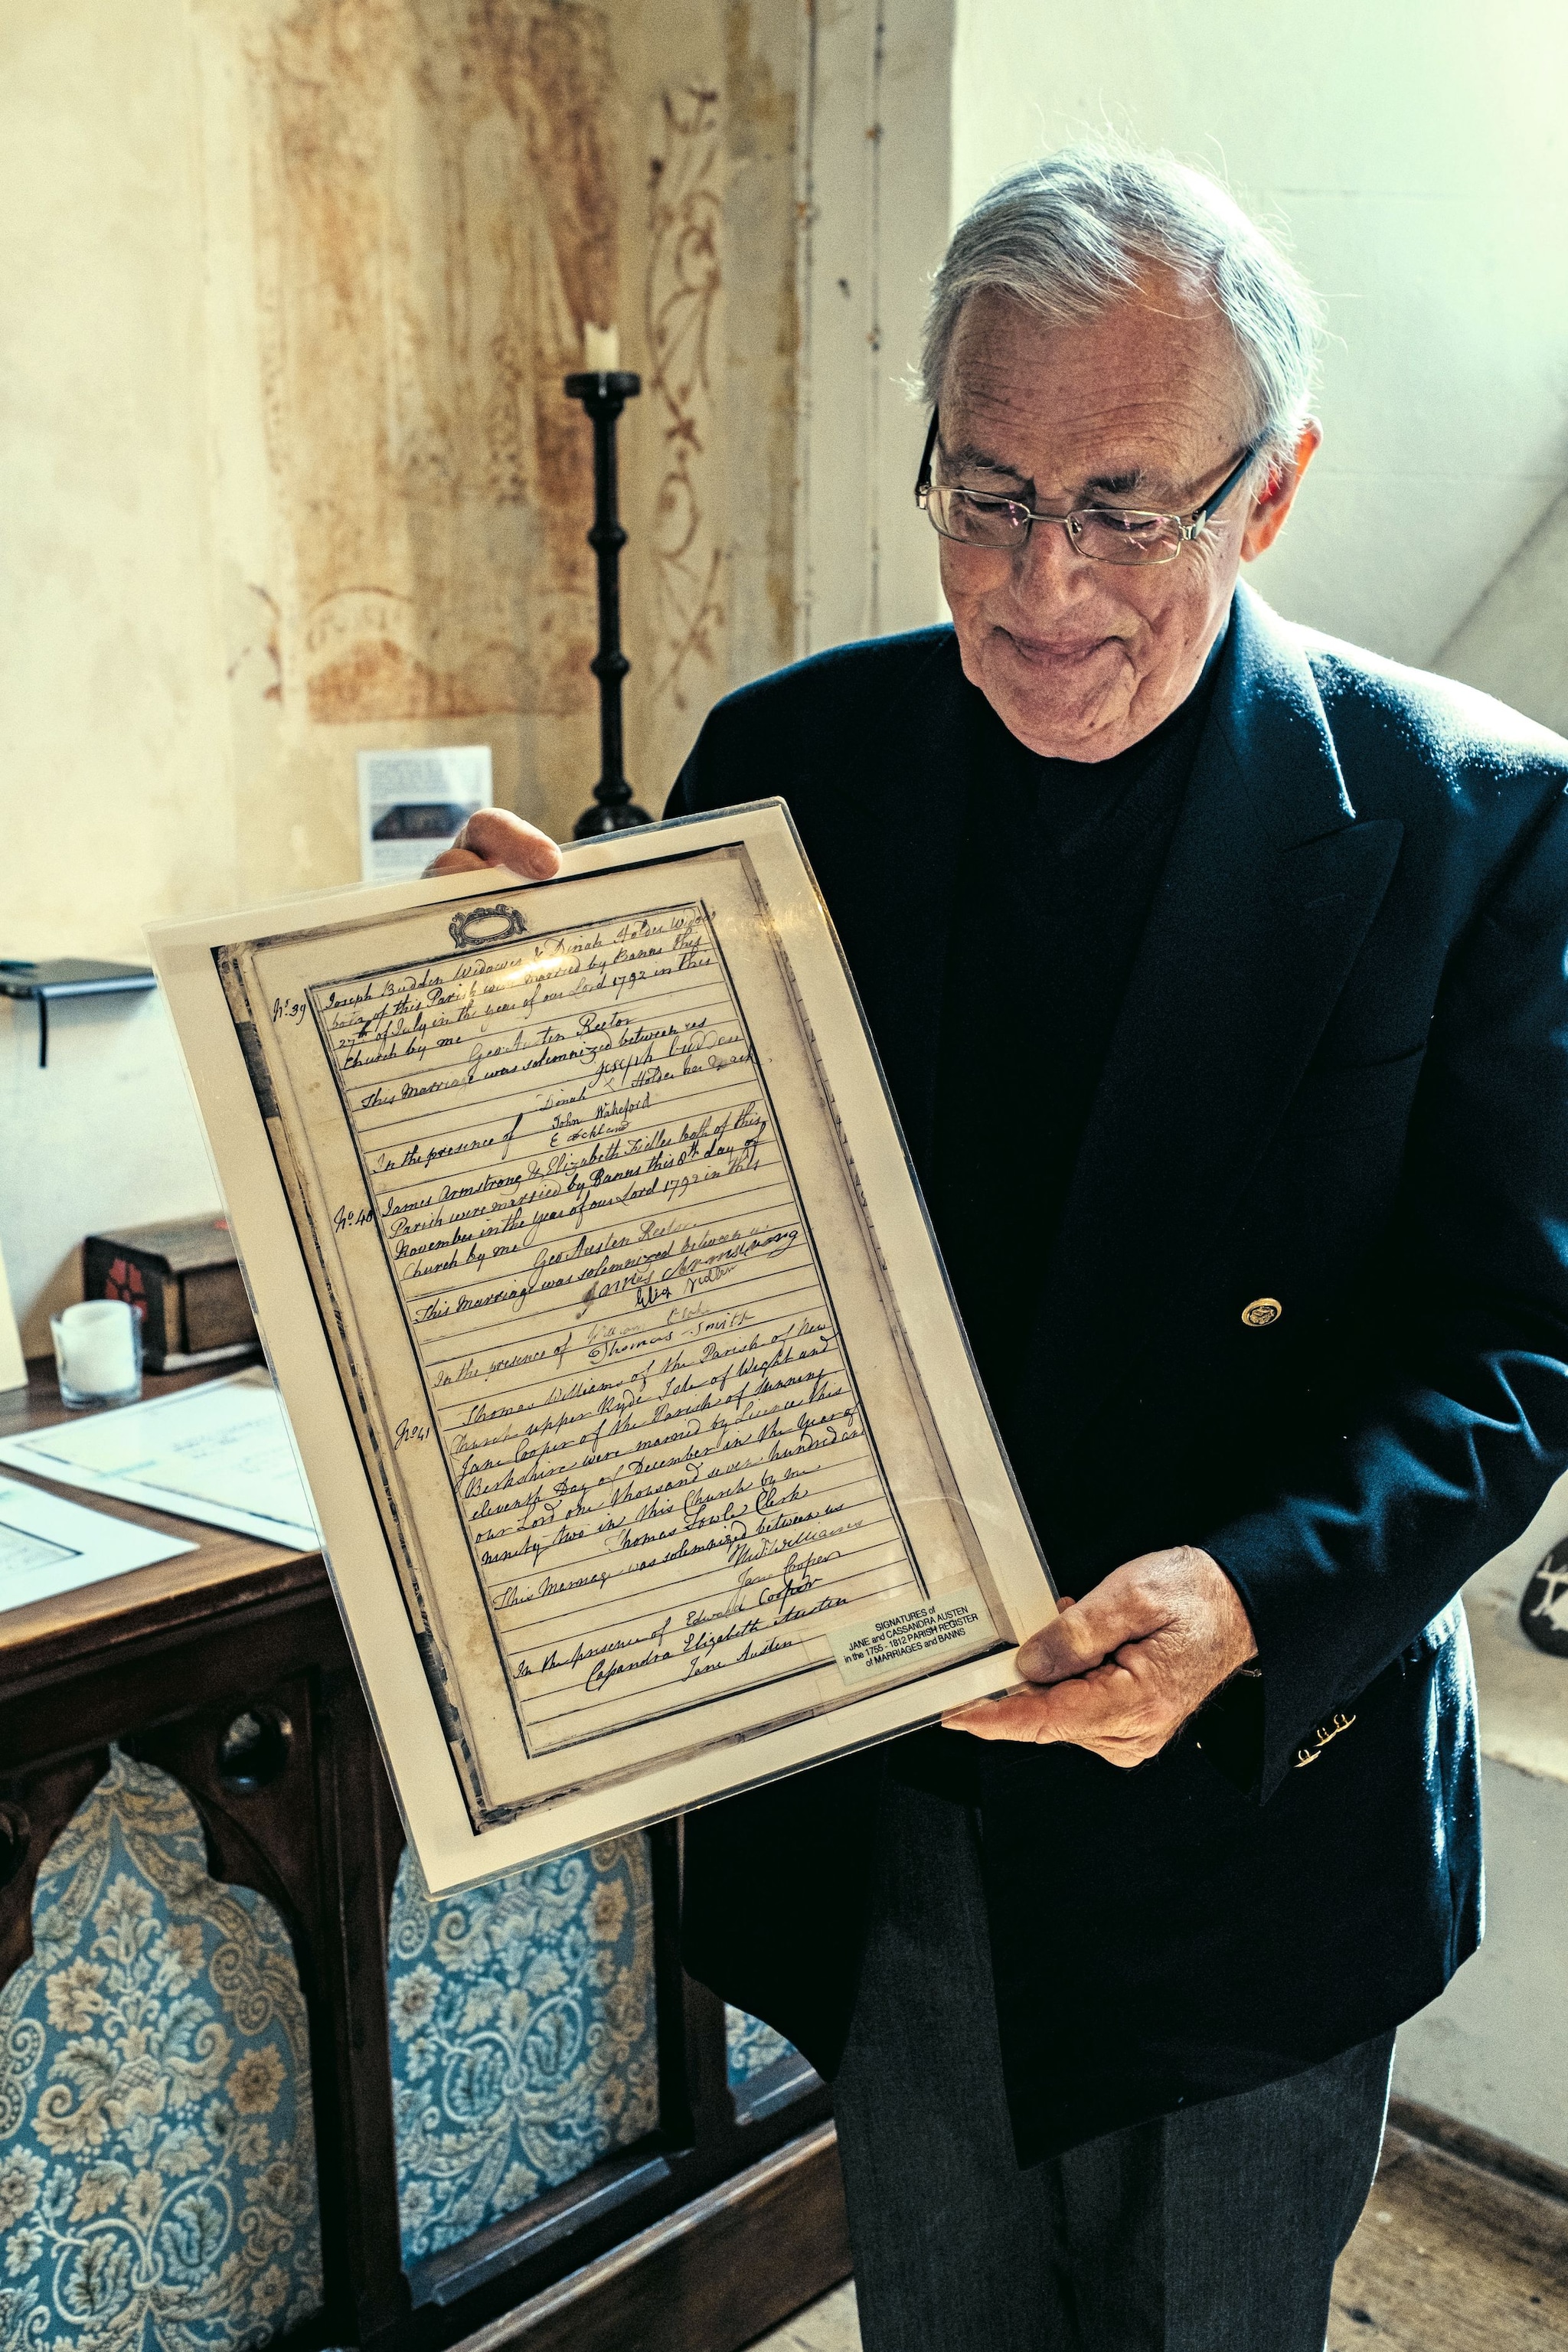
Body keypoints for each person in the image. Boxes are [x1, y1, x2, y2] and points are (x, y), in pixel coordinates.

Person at [433, 145, 1568, 2352]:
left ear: (1274, 488)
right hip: (905, 1789)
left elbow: (1519, 1347)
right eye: (989, 492)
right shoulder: (790, 762)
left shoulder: (1483, 817)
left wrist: (1250, 1594)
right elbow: (682, 1228)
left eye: (1127, 503)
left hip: (1256, 1810)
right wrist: (526, 1034)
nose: (1046, 583)